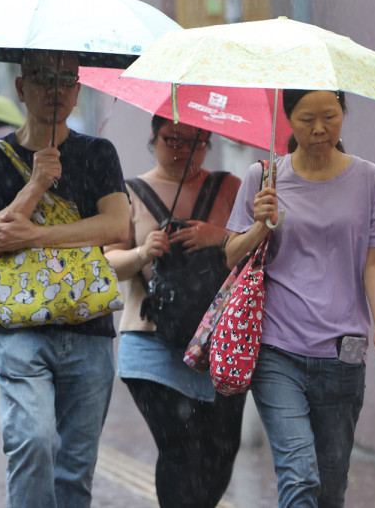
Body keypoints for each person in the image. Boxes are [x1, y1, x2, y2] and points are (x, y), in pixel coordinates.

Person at [0, 50, 130, 507]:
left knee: (75, 469)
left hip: (88, 327)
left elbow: (116, 227)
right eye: (43, 77)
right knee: (34, 443)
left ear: (78, 91)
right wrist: (35, 184)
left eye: (65, 78)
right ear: (21, 87)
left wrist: (36, 235)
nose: (55, 88)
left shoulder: (99, 153)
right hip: (18, 327)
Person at [225, 89, 375, 508]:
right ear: (288, 118)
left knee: (330, 488)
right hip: (277, 350)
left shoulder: (369, 179)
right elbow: (232, 254)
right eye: (307, 118)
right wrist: (259, 225)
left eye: (330, 116)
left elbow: (374, 262)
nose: (320, 128)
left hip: (344, 353)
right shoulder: (263, 177)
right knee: (300, 477)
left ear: (344, 113)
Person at [103, 116, 245, 508]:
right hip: (150, 341)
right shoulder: (129, 194)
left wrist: (219, 237)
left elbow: (263, 247)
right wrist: (142, 252)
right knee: (180, 448)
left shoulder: (229, 187)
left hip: (219, 343)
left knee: (221, 451)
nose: (185, 151)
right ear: (153, 137)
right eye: (174, 140)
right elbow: (105, 263)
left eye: (199, 142)